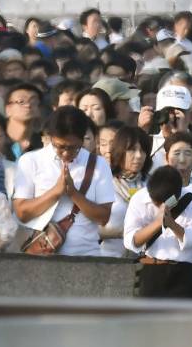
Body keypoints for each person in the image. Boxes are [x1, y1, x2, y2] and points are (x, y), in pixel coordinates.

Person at [12, 106, 115, 256]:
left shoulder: (99, 164)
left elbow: (103, 218)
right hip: (41, 256)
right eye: (60, 147)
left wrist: (74, 194)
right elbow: (22, 213)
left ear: (82, 139)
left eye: (73, 148)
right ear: (51, 137)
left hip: (86, 255)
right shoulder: (30, 160)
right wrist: (55, 192)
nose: (66, 153)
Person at [123, 166, 192, 297]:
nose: (159, 206)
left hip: (182, 273)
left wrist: (172, 224)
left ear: (175, 197)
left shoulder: (191, 201)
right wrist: (157, 223)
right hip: (151, 269)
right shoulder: (139, 199)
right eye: (155, 202)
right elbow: (130, 241)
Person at [98, 126, 150, 257]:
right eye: (132, 150)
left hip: (144, 260)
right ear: (119, 151)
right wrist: (122, 233)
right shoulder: (101, 182)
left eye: (143, 150)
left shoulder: (151, 185)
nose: (138, 156)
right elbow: (84, 227)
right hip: (107, 259)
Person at [4, 82, 44, 160]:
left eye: (33, 102)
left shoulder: (44, 143)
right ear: (8, 109)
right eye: (21, 101)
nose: (28, 105)